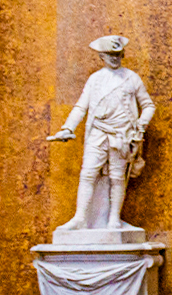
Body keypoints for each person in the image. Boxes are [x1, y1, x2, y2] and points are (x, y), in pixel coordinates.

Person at [47, 35, 156, 232]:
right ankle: (80, 217)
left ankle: (114, 218)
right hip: (98, 134)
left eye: (117, 54)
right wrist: (67, 128)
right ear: (101, 57)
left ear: (122, 54)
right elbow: (81, 107)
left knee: (117, 177)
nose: (114, 58)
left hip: (121, 135)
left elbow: (148, 105)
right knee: (87, 174)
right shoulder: (95, 79)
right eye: (109, 55)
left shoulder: (131, 78)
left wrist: (141, 125)